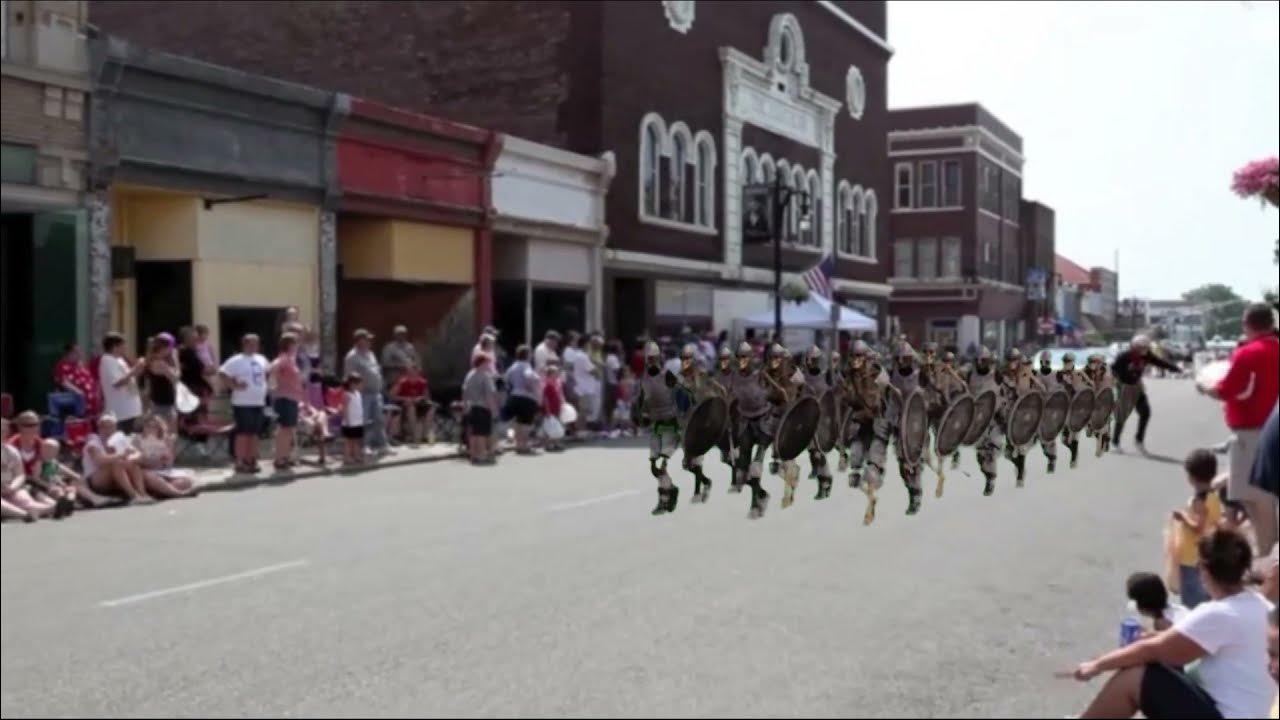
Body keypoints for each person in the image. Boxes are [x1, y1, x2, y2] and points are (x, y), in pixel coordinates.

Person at [1071, 528, 1273, 719]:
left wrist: (1097, 665)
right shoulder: (1261, 606)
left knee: (1137, 675)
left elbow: (1152, 651)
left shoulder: (1220, 613)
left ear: (1203, 569)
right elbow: (1180, 642)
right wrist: (1160, 638)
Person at [1199, 303, 1280, 557]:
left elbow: (1227, 389)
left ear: (1248, 324)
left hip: (1252, 432)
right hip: (1271, 426)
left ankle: (1269, 557)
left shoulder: (1248, 353)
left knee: (1256, 499)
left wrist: (1205, 387)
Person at [1171, 449, 1225, 609]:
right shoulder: (1214, 495)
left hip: (1191, 555)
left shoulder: (1198, 500)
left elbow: (1198, 527)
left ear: (1192, 477)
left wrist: (1182, 517)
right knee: (1205, 594)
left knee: (1192, 599)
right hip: (1207, 552)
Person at [1111, 334, 1182, 454]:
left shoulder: (1147, 355)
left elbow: (1159, 362)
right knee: (1122, 416)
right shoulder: (1125, 356)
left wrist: (1175, 368)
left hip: (1137, 386)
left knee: (1145, 413)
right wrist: (1123, 379)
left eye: (1146, 347)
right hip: (1125, 387)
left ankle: (1138, 441)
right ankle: (1115, 442)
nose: (1144, 350)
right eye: (1141, 347)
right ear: (1135, 346)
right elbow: (1114, 369)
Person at [635, 341, 681, 515]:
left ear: (660, 358)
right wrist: (642, 415)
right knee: (654, 467)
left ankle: (664, 501)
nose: (652, 362)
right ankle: (671, 489)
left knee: (662, 464)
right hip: (657, 426)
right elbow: (642, 401)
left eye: (654, 358)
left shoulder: (667, 376)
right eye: (649, 359)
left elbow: (683, 396)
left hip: (671, 425)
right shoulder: (644, 379)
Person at [219, 333, 270, 474]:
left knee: (255, 432)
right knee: (243, 432)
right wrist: (234, 386)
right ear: (245, 344)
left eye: (257, 343)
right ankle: (240, 461)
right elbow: (222, 373)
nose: (255, 346)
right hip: (243, 402)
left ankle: (252, 458)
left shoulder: (262, 359)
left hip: (258, 402)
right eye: (252, 343)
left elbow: (267, 373)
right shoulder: (237, 360)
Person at [82, 413, 148, 503]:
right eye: (105, 427)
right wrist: (121, 455)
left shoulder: (119, 439)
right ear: (100, 428)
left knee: (132, 463)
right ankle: (133, 495)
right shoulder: (93, 441)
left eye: (111, 427)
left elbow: (138, 454)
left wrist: (131, 458)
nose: (108, 430)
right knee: (117, 463)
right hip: (97, 480)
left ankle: (142, 494)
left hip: (115, 477)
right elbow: (99, 461)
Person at [344, 329, 390, 456]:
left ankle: (382, 445)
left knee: (379, 419)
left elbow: (376, 370)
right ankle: (364, 446)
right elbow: (350, 377)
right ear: (360, 340)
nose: (370, 341)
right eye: (367, 339)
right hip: (363, 393)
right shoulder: (352, 357)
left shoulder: (370, 354)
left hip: (376, 392)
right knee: (364, 421)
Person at [1, 417, 55, 520]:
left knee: (24, 499)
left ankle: (47, 509)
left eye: (4, 430)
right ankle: (25, 515)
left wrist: (13, 487)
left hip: (10, 487)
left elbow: (20, 474)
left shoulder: (12, 451)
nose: (3, 433)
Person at [132, 415, 197, 497]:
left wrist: (166, 458)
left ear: (159, 428)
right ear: (143, 427)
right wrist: (146, 460)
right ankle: (177, 493)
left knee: (186, 481)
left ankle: (163, 490)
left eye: (154, 427)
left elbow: (170, 460)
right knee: (148, 476)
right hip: (147, 471)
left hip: (163, 469)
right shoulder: (137, 440)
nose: (151, 429)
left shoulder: (165, 439)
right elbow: (134, 459)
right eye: (148, 426)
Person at [270, 333, 305, 470]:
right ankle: (279, 458)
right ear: (289, 344)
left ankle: (286, 456)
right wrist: (280, 381)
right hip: (284, 398)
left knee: (289, 429)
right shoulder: (283, 358)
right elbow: (273, 370)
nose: (297, 345)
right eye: (295, 342)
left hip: (292, 398)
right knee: (284, 429)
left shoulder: (292, 359)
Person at [98, 332, 145, 433]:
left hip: (132, 411)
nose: (125, 348)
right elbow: (117, 383)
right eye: (123, 346)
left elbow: (129, 378)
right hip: (121, 414)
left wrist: (139, 368)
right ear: (115, 347)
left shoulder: (120, 360)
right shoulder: (107, 360)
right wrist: (135, 369)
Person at [462, 354, 499, 465]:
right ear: (482, 363)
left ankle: (473, 455)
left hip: (472, 406)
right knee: (482, 433)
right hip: (483, 406)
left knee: (474, 432)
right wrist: (493, 409)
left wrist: (465, 405)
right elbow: (489, 394)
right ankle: (482, 455)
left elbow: (464, 391)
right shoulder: (485, 376)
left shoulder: (469, 375)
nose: (489, 365)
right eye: (488, 363)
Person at [503, 346, 541, 455]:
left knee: (518, 423)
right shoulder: (526, 365)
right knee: (526, 423)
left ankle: (518, 444)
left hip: (515, 395)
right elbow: (528, 376)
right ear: (527, 355)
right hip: (526, 398)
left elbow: (506, 379)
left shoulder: (513, 366)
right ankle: (524, 445)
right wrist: (531, 387)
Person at [389, 364, 434, 446]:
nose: (413, 375)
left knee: (431, 408)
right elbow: (392, 396)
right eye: (411, 373)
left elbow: (427, 397)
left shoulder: (422, 382)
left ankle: (425, 435)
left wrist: (420, 398)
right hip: (405, 405)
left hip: (418, 404)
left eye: (415, 373)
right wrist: (405, 399)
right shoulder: (402, 382)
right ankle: (414, 436)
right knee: (411, 408)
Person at [52, 343, 101, 417]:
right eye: (76, 352)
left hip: (92, 407)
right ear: (68, 353)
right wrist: (78, 391)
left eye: (80, 351)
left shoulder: (80, 365)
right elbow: (63, 381)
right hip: (76, 407)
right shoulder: (62, 366)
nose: (80, 354)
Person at [143, 334, 180, 423]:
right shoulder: (159, 363)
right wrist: (176, 360)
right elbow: (176, 378)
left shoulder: (151, 360)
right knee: (169, 433)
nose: (171, 350)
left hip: (160, 401)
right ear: (164, 348)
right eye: (170, 348)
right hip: (163, 404)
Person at [178, 327, 214, 401]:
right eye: (195, 339)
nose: (198, 341)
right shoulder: (187, 353)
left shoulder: (182, 351)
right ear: (187, 339)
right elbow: (207, 371)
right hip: (193, 390)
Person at [381, 325, 419, 390]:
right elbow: (385, 363)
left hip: (408, 380)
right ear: (395, 335)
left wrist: (413, 366)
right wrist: (399, 365)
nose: (402, 336)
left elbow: (415, 360)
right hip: (394, 380)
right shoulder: (389, 347)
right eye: (399, 334)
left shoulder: (410, 347)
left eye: (403, 334)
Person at [339, 373, 366, 465]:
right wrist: (347, 421)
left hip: (358, 422)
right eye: (359, 384)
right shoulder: (347, 395)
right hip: (349, 423)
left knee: (356, 440)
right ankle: (347, 457)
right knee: (348, 441)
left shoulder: (358, 394)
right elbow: (345, 408)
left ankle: (356, 456)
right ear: (352, 384)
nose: (361, 386)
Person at [542, 362, 566, 452]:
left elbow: (560, 394)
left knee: (557, 425)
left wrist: (562, 403)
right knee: (549, 426)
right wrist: (547, 410)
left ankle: (556, 442)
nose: (557, 374)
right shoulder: (547, 385)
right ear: (550, 374)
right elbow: (546, 399)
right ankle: (548, 444)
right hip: (550, 408)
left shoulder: (557, 383)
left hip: (557, 407)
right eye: (555, 372)